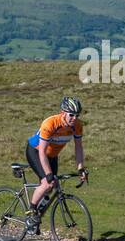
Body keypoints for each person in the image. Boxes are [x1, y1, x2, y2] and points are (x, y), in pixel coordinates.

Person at [25, 97, 88, 232]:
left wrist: (80, 168)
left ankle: (36, 218)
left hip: (52, 156)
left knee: (52, 187)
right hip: (36, 152)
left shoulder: (77, 126)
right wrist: (48, 174)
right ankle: (31, 212)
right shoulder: (50, 123)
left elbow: (78, 147)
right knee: (47, 183)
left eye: (77, 115)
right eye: (71, 115)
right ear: (62, 112)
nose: (74, 118)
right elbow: (42, 151)